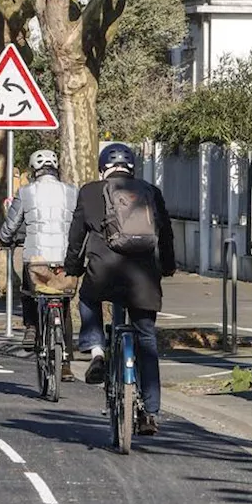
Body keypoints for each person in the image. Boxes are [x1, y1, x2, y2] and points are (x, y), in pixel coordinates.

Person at [64, 143, 175, 435]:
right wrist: (167, 267)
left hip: (103, 273)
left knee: (87, 298)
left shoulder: (89, 191)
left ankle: (97, 350)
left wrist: (73, 267)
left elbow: (77, 236)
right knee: (147, 342)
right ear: (132, 168)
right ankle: (150, 413)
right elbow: (166, 235)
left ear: (103, 168)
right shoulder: (150, 192)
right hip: (144, 280)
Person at [0, 149, 79, 384]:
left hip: (37, 258)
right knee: (63, 304)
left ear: (34, 170)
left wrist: (4, 239)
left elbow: (11, 224)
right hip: (66, 259)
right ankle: (65, 364)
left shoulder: (26, 192)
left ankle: (31, 326)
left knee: (28, 289)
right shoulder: (72, 192)